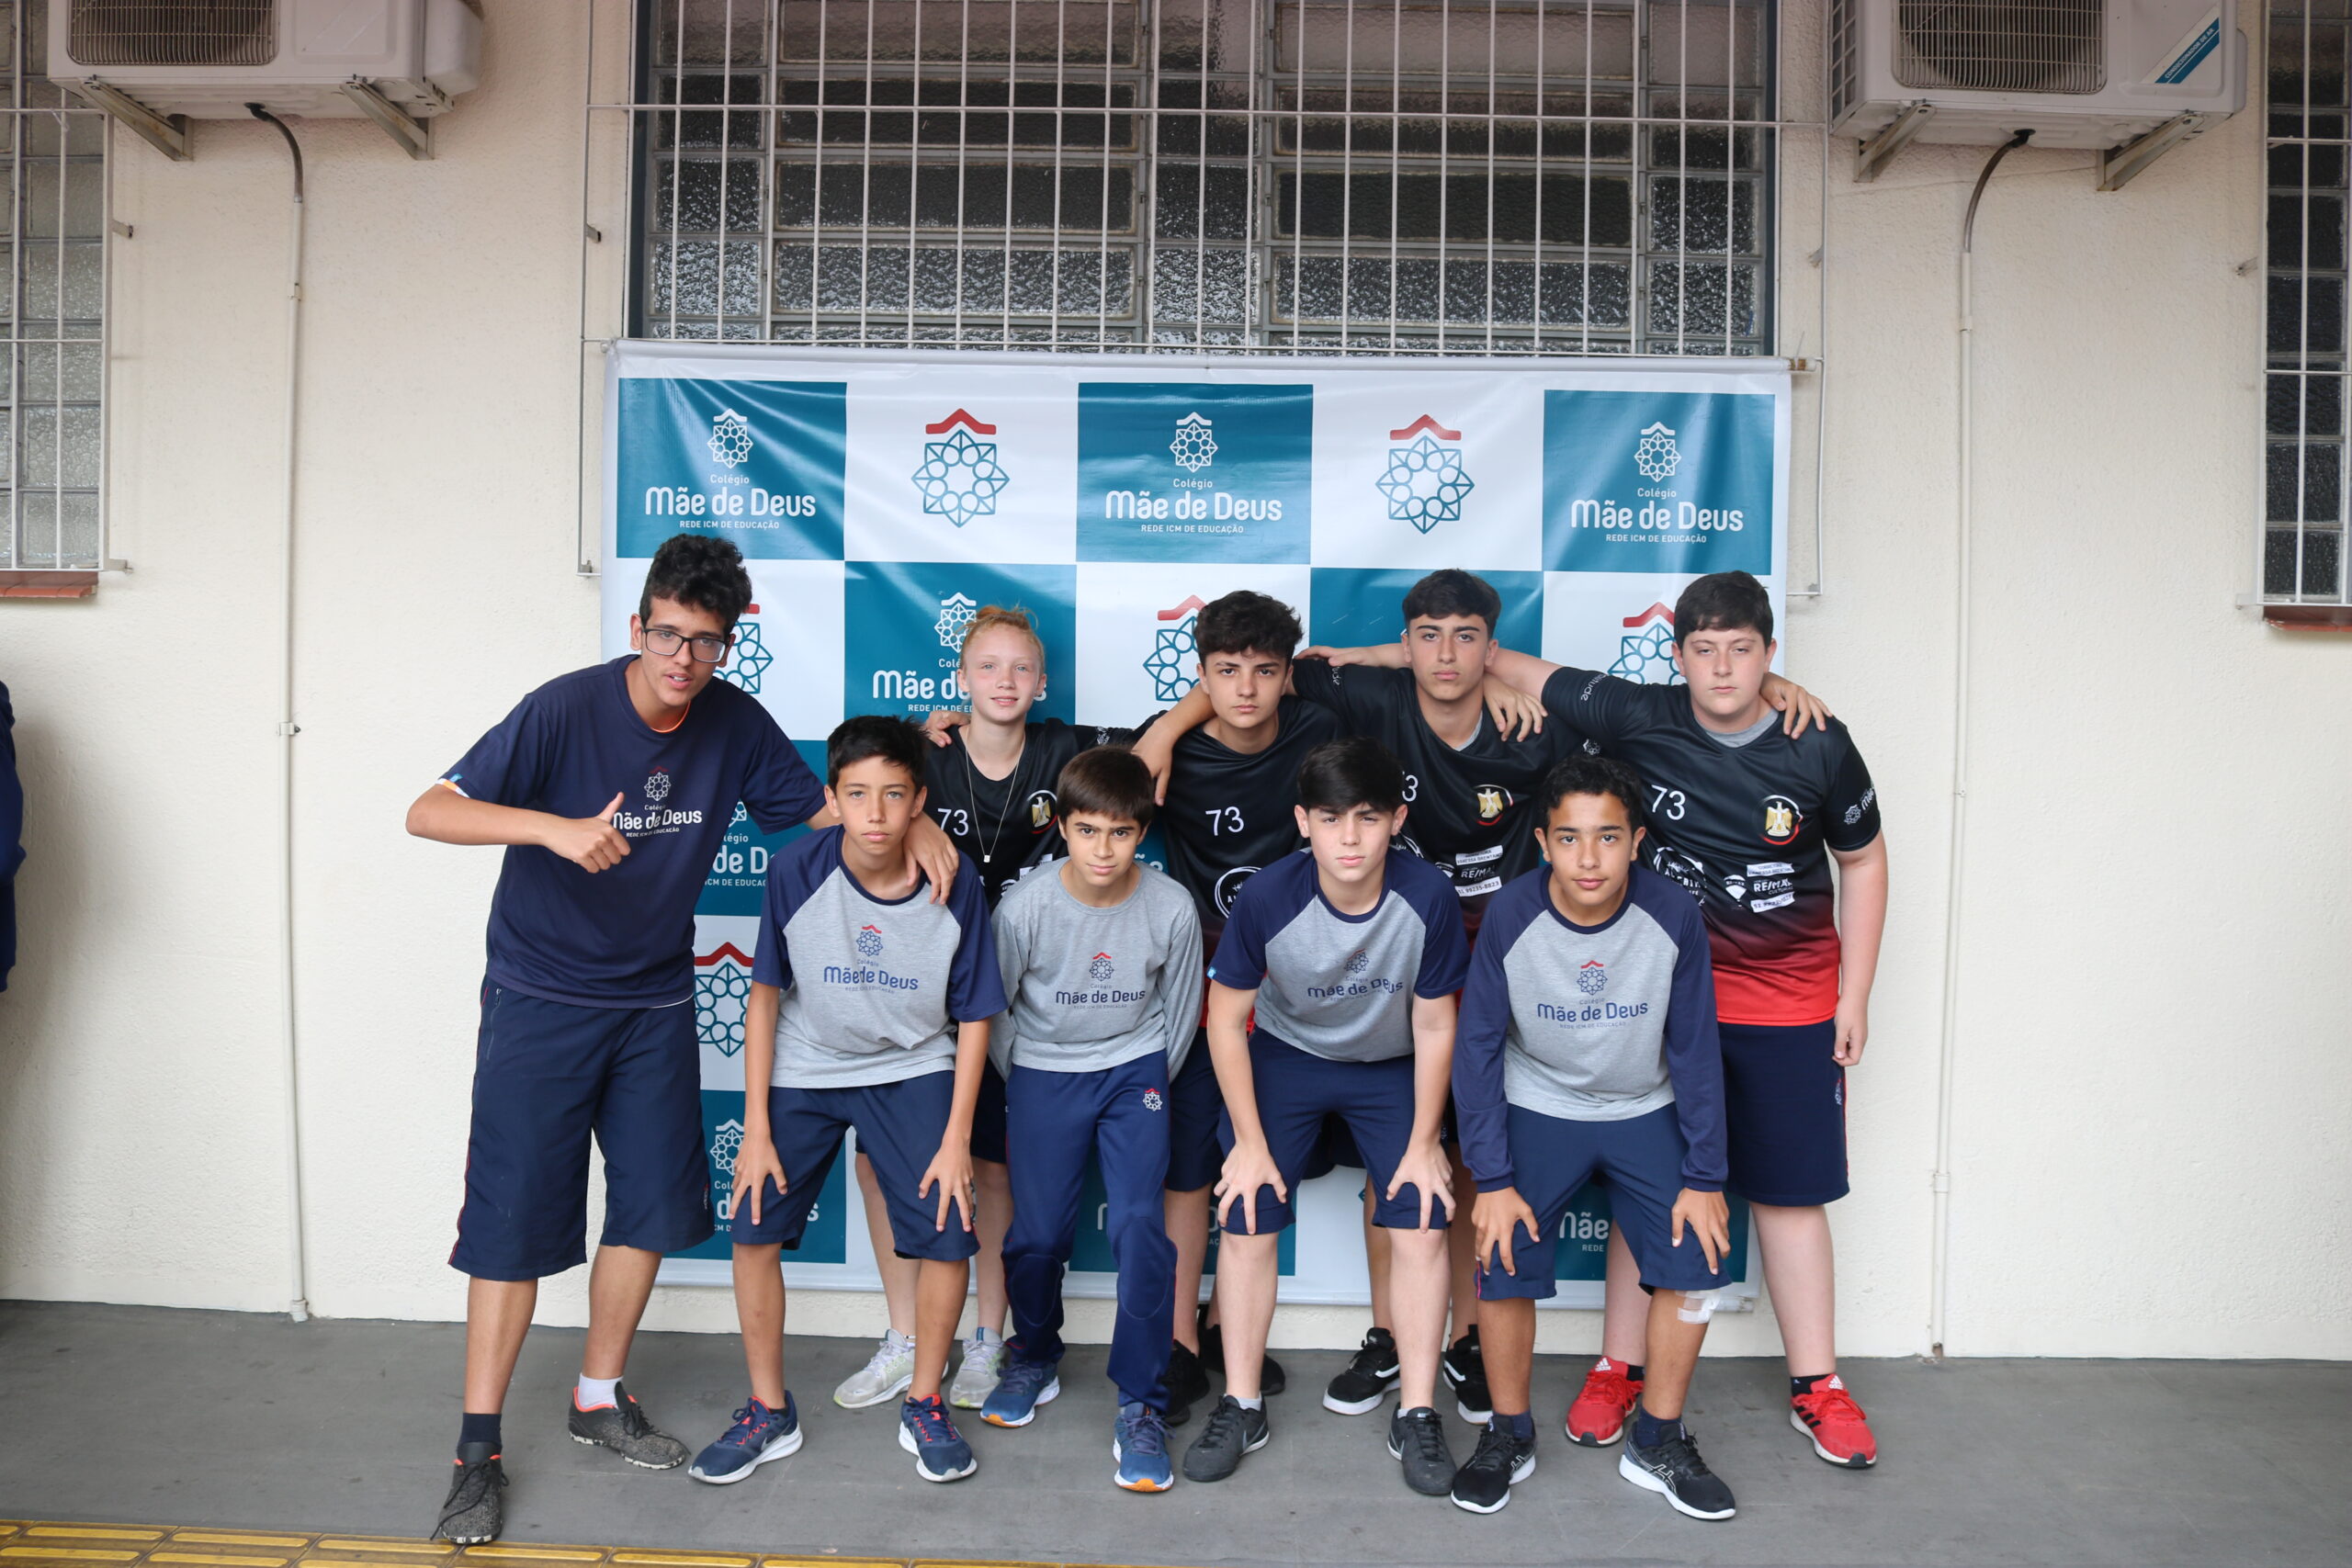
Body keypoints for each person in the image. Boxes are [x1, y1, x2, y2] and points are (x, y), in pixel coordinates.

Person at [406, 537, 958, 1543]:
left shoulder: (733, 722)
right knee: (512, 1223)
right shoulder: (563, 709)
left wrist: (913, 817)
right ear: (639, 626)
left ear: (727, 645)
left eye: (706, 643)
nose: (683, 659)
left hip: (655, 1001)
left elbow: (831, 812)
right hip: (540, 997)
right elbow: (429, 811)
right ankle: (476, 1450)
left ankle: (597, 1395)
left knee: (651, 1211)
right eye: (668, 636)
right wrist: (552, 828)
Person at [1474, 570, 1889, 1467]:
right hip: (1657, 1011)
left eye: (1743, 650)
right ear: (1679, 656)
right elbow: (1489, 657)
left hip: (1787, 1008)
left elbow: (1861, 860)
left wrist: (1853, 994)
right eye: (1705, 650)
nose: (1724, 668)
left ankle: (1817, 1384)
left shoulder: (1818, 742)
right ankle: (1618, 1369)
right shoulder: (1640, 714)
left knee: (1788, 1195)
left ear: (1770, 652)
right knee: (1653, 1198)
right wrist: (1385, 658)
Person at [687, 716, 1004, 1487]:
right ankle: (769, 1410)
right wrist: (755, 1128)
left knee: (948, 1230)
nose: (875, 812)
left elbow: (974, 1015)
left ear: (919, 802)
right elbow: (764, 997)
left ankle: (925, 1401)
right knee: (753, 1223)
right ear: (831, 799)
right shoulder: (795, 870)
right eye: (856, 794)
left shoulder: (954, 880)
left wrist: (956, 1137)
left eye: (894, 795)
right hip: (809, 1059)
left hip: (913, 1060)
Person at [845, 605, 1136, 1416]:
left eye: (1020, 668)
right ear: (961, 678)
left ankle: (987, 1337)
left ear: (1041, 683)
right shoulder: (923, 755)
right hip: (919, 986)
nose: (1004, 681)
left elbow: (1152, 752)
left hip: (1021, 990)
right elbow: (852, 803)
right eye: (988, 666)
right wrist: (916, 808)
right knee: (882, 1160)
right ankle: (905, 1336)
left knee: (995, 1164)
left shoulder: (1064, 747)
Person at [1447, 756, 1736, 1520]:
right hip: (1540, 1099)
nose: (1588, 857)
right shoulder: (1511, 913)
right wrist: (1492, 1177)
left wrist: (1705, 1176)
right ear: (1543, 842)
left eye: (1608, 836)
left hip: (1643, 1102)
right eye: (1569, 837)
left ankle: (1658, 1438)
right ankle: (1508, 1432)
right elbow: (1476, 1047)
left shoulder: (1672, 912)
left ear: (1636, 841)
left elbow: (1696, 1047)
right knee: (1502, 1249)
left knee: (1699, 1257)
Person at [1180, 738, 1471, 1496]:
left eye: (1368, 818)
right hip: (1291, 1056)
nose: (1350, 838)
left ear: (1396, 820)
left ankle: (1416, 1410)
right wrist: (1249, 1142)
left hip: (1392, 1064)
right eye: (1332, 818)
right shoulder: (1268, 896)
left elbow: (1436, 1023)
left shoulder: (1428, 896)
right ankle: (1242, 1403)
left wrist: (1424, 1142)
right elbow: (1225, 1020)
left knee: (1422, 1218)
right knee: (1247, 1208)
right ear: (1303, 820)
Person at [978, 747, 1204, 1493]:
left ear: (1142, 831)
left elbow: (1181, 1012)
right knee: (1039, 1233)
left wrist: (1145, 1074)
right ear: (1062, 826)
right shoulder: (1026, 907)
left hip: (1135, 1069)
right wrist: (1029, 1074)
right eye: (1087, 830)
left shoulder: (1170, 906)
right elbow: (997, 1009)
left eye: (1121, 832)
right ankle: (1034, 1352)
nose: (1103, 849)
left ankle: (1142, 1399)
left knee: (1140, 1227)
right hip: (1043, 1069)